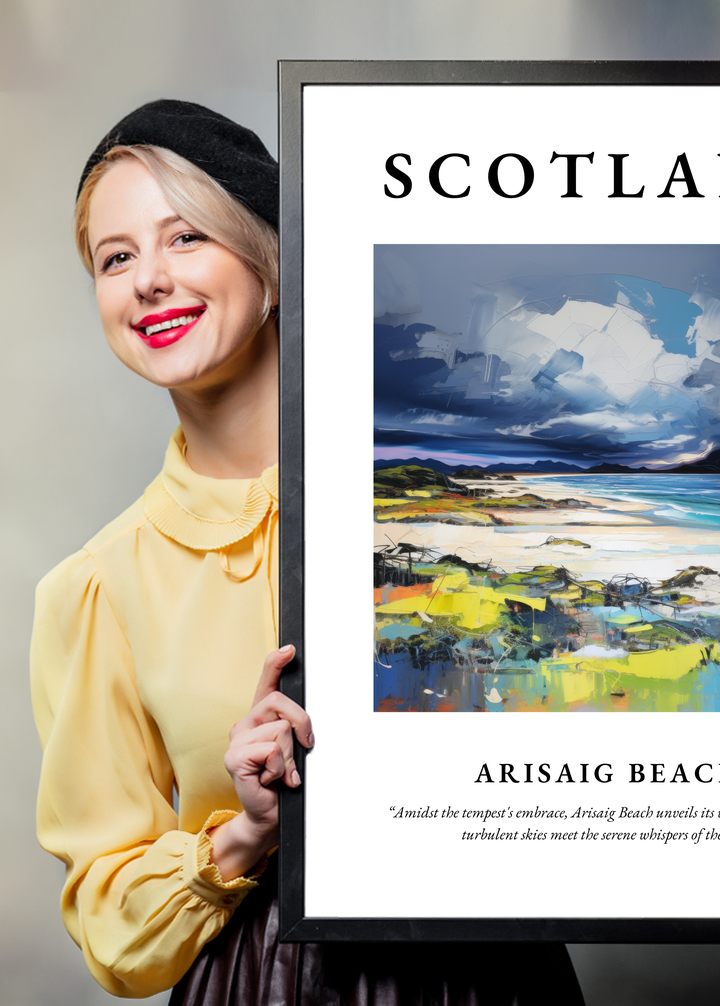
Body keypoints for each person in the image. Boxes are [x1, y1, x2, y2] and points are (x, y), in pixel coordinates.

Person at [30, 100, 585, 1004]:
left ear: (273, 264)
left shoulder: (448, 505)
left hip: (492, 973)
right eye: (116, 257)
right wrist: (245, 832)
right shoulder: (97, 587)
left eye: (185, 239)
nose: (148, 281)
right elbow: (110, 924)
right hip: (263, 982)